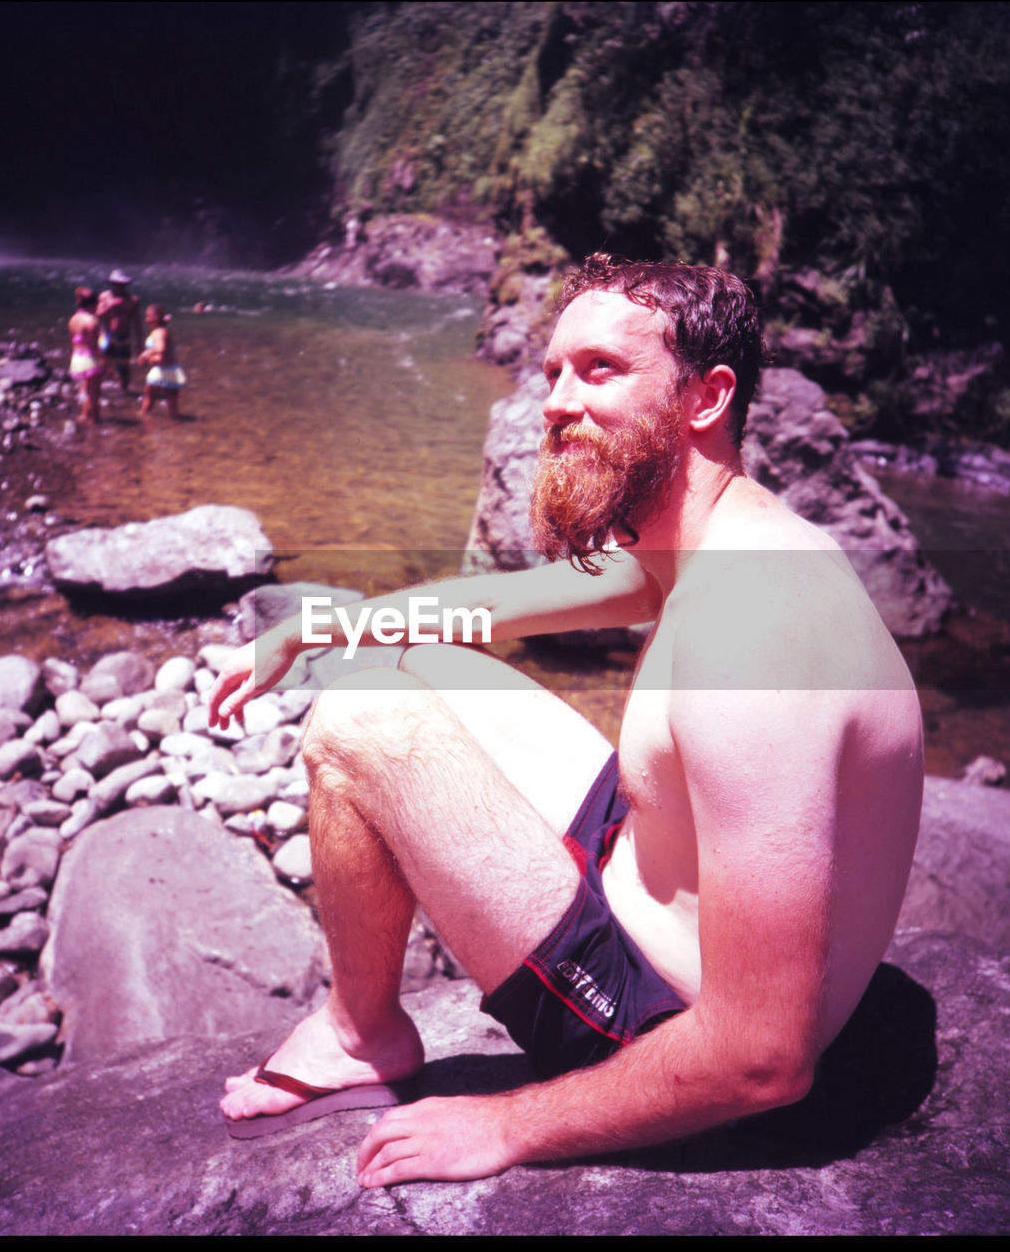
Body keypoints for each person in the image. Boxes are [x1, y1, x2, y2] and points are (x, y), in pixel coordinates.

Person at [207, 254, 924, 1187]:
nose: (553, 402)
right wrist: (318, 622)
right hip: (642, 875)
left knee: (360, 717)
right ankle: (370, 1011)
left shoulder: (758, 628)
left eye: (599, 369)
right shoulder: (712, 540)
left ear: (706, 398)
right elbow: (501, 609)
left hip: (656, 1023)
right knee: (419, 664)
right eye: (552, 374)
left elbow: (763, 1058)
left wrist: (511, 1123)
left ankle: (359, 1033)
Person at [136, 304, 186, 424]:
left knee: (148, 401)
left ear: (157, 317)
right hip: (174, 370)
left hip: (161, 371)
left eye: (148, 316)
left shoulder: (158, 332)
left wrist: (146, 354)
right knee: (173, 406)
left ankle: (143, 425)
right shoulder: (164, 330)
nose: (146, 319)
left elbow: (161, 348)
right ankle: (176, 428)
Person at [96, 269, 143, 391]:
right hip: (106, 335)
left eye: (121, 285)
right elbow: (97, 315)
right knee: (103, 364)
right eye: (116, 284)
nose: (119, 287)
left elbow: (137, 323)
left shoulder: (132, 300)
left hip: (124, 337)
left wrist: (139, 343)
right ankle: (97, 389)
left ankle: (124, 391)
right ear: (111, 284)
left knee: (124, 367)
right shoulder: (104, 297)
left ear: (125, 285)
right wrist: (110, 306)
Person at [68, 287, 106, 425]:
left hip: (77, 358)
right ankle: (94, 421)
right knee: (94, 393)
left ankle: (84, 415)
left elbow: (74, 341)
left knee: (86, 388)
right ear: (92, 305)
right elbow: (95, 346)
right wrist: (104, 361)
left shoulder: (73, 319)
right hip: (90, 359)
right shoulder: (91, 321)